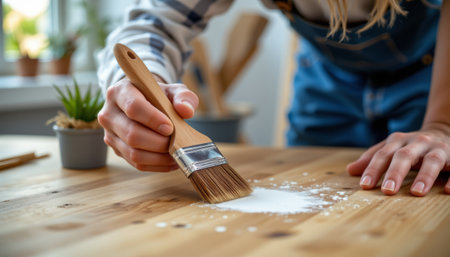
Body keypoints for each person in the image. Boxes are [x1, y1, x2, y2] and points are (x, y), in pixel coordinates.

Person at [97, 0, 450, 197]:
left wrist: (442, 125)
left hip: (435, 79)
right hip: (326, 79)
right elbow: (156, 21)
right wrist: (142, 92)